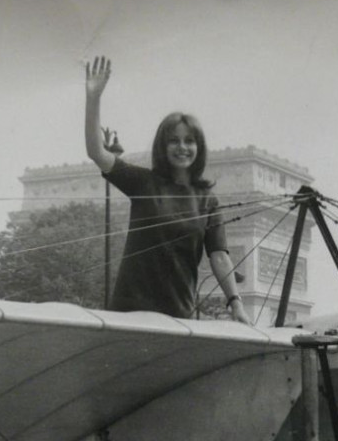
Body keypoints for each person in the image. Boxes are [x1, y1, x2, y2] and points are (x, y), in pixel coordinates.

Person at [83, 56, 251, 324]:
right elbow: (96, 152)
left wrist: (236, 304)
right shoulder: (143, 182)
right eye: (173, 141)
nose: (182, 147)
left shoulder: (208, 200)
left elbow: (219, 256)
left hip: (179, 315)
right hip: (130, 312)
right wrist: (94, 98)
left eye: (189, 141)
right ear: (163, 146)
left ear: (199, 147)